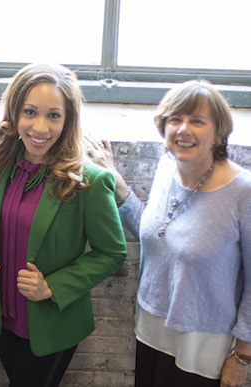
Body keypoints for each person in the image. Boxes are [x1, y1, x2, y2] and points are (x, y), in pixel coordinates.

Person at [85, 80, 251, 387]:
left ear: (218, 132)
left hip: (203, 345)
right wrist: (113, 177)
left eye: (197, 121)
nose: (183, 129)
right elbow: (156, 233)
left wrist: (243, 357)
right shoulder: (166, 168)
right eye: (175, 119)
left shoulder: (243, 192)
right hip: (151, 329)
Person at [0, 63, 127, 386]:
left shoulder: (90, 182)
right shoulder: (2, 166)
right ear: (15, 113)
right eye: (30, 112)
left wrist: (53, 286)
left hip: (52, 321)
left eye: (53, 115)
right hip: (4, 314)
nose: (40, 127)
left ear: (68, 119)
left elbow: (112, 253)